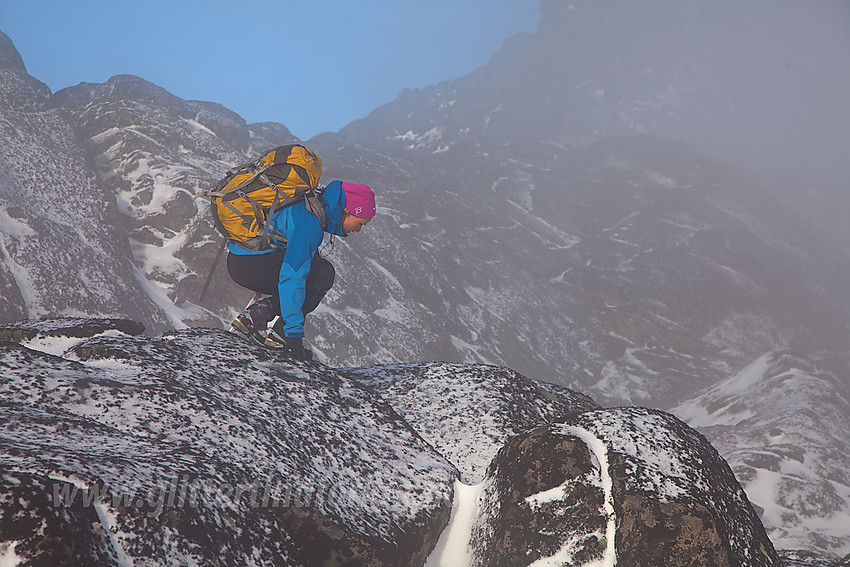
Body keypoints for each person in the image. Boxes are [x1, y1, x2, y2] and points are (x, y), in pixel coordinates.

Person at [226, 181, 375, 359]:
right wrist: (294, 335)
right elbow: (292, 278)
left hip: (243, 259)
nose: (358, 229)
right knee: (322, 275)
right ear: (347, 211)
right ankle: (278, 334)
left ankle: (258, 315)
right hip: (251, 265)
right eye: (360, 223)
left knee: (316, 265)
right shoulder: (309, 223)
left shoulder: (311, 205)